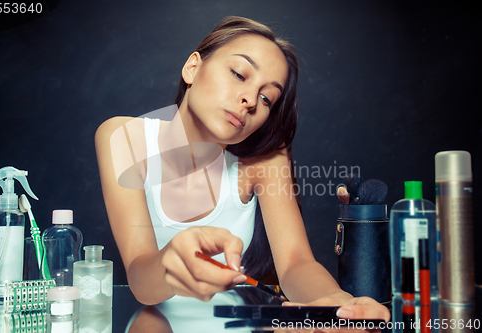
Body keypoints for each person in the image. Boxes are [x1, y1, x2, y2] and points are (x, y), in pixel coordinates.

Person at [95, 16, 390, 321]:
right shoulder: (123, 138)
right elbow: (140, 280)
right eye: (238, 73)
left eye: (267, 98)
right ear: (192, 68)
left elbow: (295, 264)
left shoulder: (265, 159)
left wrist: (340, 304)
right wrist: (170, 261)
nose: (250, 100)